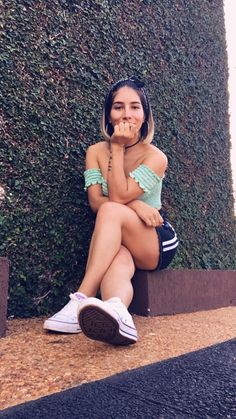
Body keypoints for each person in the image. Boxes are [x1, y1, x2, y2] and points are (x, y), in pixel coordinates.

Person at [44, 76, 179, 345]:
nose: (126, 114)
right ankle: (119, 312)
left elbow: (114, 199)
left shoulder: (155, 157)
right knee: (117, 260)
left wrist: (117, 147)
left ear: (145, 115)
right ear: (108, 114)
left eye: (134, 107)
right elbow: (95, 202)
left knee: (110, 212)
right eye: (118, 107)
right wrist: (138, 204)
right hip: (120, 236)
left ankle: (81, 297)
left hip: (155, 237)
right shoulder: (95, 151)